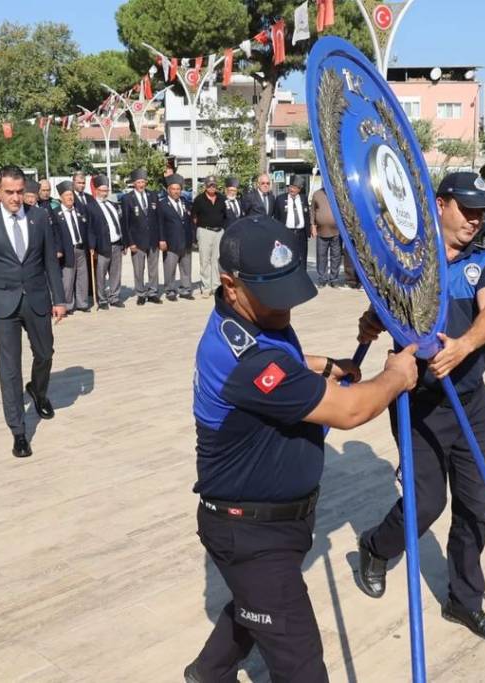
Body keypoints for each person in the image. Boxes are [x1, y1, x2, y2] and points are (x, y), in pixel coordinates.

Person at [184, 216, 419, 682]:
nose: (285, 308)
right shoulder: (247, 361)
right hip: (249, 533)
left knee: (259, 606)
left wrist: (321, 364)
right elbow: (351, 412)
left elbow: (283, 358)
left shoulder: (251, 325)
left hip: (272, 523)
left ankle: (207, 673)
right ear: (230, 286)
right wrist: (395, 376)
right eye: (274, 297)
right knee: (301, 663)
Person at [355, 171, 485, 642]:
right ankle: (376, 547)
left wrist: (462, 346)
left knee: (474, 505)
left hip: (469, 401)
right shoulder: (408, 262)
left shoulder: (483, 261)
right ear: (440, 205)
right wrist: (373, 320)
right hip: (418, 404)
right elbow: (387, 308)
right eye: (467, 209)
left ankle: (464, 601)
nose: (476, 220)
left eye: (482, 211)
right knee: (425, 505)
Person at [0, 165, 66, 458]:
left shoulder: (39, 217)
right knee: (9, 369)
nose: (15, 198)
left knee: (46, 352)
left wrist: (59, 299)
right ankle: (19, 431)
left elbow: (50, 261)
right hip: (2, 303)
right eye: (9, 192)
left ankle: (38, 390)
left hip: (36, 298)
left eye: (20, 192)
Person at [87, 175, 129, 310]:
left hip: (116, 243)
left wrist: (123, 243)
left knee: (116, 272)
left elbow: (120, 223)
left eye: (106, 190)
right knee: (100, 273)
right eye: (102, 190)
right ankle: (102, 299)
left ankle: (114, 297)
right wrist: (92, 246)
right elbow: (90, 229)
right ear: (96, 190)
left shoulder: (112, 205)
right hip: (102, 245)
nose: (104, 193)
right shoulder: (91, 207)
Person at [121, 168, 162, 306]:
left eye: (143, 181)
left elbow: (159, 219)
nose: (141, 184)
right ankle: (141, 293)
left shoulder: (153, 195)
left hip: (153, 239)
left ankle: (153, 292)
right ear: (134, 183)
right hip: (137, 241)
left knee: (153, 269)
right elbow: (125, 223)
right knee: (139, 269)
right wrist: (129, 242)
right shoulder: (127, 199)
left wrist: (161, 238)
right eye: (139, 182)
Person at [50, 181, 90, 314]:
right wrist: (58, 249)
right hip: (67, 249)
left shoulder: (79, 210)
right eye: (67, 195)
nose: (70, 197)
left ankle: (82, 303)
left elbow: (86, 228)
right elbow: (55, 233)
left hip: (81, 247)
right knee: (67, 278)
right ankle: (67, 305)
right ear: (61, 197)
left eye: (71, 195)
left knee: (82, 277)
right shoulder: (56, 213)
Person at [157, 174, 194, 302]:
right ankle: (170, 290)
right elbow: (160, 223)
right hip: (170, 242)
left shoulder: (185, 202)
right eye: (173, 189)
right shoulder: (162, 204)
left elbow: (190, 221)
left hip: (185, 240)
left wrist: (193, 238)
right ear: (168, 190)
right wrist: (161, 240)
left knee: (186, 268)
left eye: (178, 189)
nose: (176, 191)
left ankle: (185, 289)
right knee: (170, 268)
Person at [191, 175, 226, 298]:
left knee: (217, 260)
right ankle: (206, 287)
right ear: (205, 186)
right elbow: (194, 217)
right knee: (205, 260)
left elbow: (225, 215)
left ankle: (216, 286)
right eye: (210, 185)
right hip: (205, 231)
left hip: (219, 232)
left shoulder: (222, 198)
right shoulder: (199, 199)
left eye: (214, 185)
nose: (212, 187)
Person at [274, 175, 310, 271]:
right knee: (287, 258)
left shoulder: (303, 198)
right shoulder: (280, 199)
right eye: (291, 186)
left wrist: (309, 231)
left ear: (300, 189)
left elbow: (307, 215)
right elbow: (276, 218)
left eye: (295, 187)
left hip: (301, 234)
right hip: (286, 233)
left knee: (302, 258)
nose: (292, 189)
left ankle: (302, 278)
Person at [311, 187, 342, 288]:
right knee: (321, 256)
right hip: (321, 231)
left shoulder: (337, 192)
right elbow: (312, 211)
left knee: (336, 256)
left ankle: (334, 279)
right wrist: (313, 226)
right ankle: (322, 279)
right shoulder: (317, 194)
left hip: (337, 231)